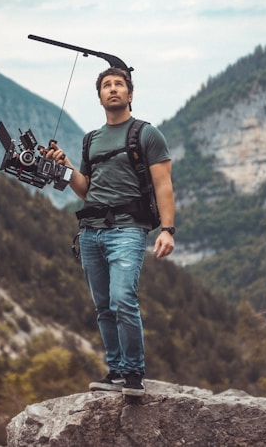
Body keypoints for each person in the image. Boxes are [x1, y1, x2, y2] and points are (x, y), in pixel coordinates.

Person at [49, 66, 175, 397]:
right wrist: (67, 168)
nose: (113, 89)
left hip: (128, 231)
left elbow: (164, 185)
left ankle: (134, 374)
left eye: (119, 84)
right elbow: (86, 189)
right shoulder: (91, 140)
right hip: (90, 233)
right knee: (103, 306)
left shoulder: (146, 134)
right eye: (107, 85)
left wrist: (167, 229)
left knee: (123, 299)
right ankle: (116, 371)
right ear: (100, 96)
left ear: (130, 94)